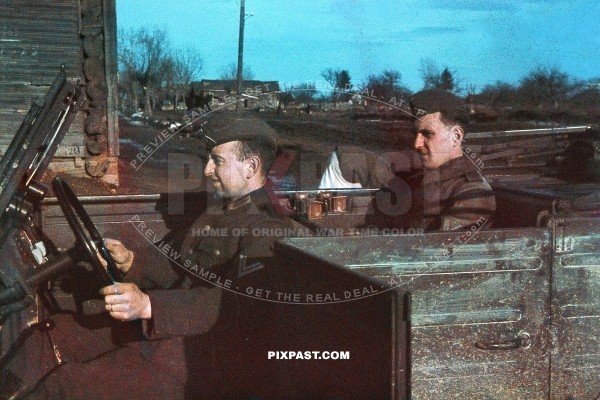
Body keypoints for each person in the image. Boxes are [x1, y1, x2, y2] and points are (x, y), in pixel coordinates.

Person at [6, 114, 292, 399]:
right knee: (49, 336)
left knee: (66, 386)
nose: (206, 170)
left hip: (199, 358)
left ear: (251, 166)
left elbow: (232, 305)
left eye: (217, 161)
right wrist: (131, 260)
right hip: (163, 334)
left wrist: (148, 305)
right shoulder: (220, 209)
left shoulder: (267, 227)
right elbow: (178, 267)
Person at [368, 89, 496, 231]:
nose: (417, 144)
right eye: (416, 134)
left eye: (427, 134)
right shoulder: (419, 179)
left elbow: (441, 250)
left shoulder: (472, 194)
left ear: (456, 137)